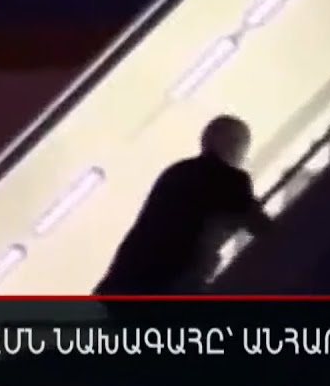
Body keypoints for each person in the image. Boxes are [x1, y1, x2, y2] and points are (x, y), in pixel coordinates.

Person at [94, 115, 273, 295]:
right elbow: (264, 228)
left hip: (124, 278)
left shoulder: (177, 171)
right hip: (167, 286)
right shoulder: (230, 179)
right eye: (243, 147)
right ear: (235, 144)